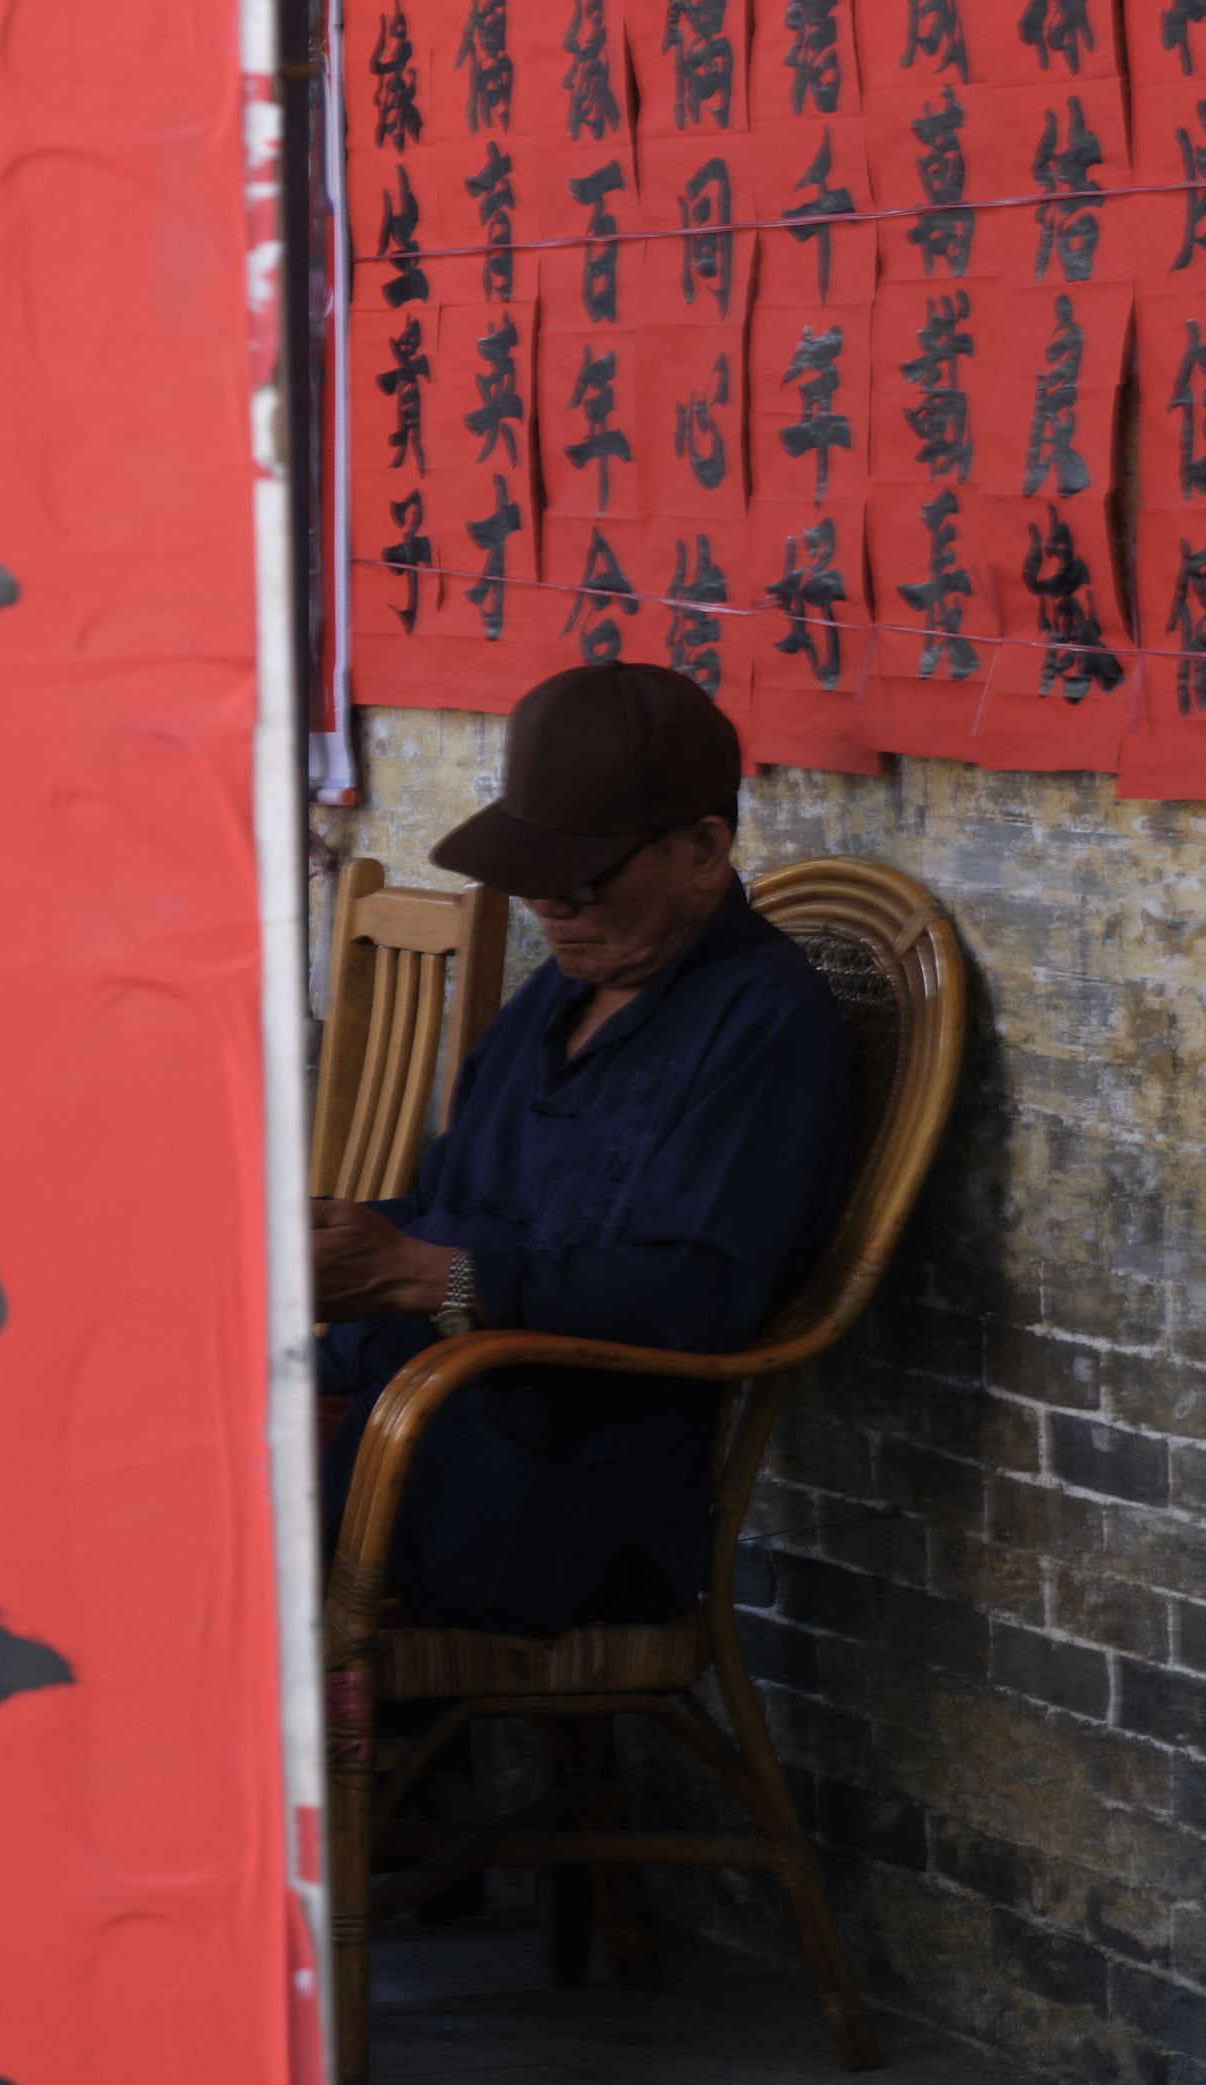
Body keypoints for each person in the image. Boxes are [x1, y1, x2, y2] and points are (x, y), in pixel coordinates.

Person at [313, 662, 850, 1639]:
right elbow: (446, 1204)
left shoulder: (764, 1019)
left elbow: (700, 1292)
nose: (550, 908)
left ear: (703, 848)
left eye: (584, 880)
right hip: (420, 1427)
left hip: (565, 1494)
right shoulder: (557, 998)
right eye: (532, 881)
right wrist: (334, 1247)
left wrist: (431, 1277)